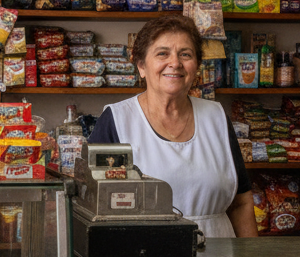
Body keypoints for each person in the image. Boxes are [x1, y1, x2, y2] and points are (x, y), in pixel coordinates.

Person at [88, 14, 257, 238]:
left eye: (185, 54)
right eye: (162, 54)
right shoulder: (117, 120)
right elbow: (93, 205)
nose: (175, 63)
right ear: (141, 66)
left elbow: (241, 203)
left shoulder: (216, 117)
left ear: (196, 66)